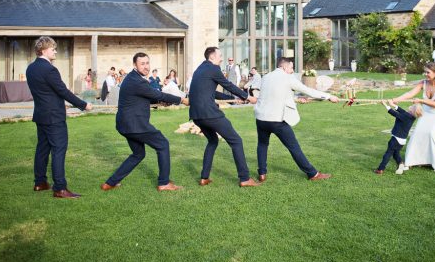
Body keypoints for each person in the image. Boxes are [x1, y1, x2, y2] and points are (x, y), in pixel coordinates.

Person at [102, 53, 190, 192]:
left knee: (138, 154)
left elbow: (146, 97)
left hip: (125, 125)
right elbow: (157, 94)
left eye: (147, 63)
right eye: (142, 63)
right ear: (135, 65)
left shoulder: (133, 78)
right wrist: (182, 100)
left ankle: (110, 183)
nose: (146, 66)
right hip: (135, 124)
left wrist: (161, 102)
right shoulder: (137, 81)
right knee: (163, 144)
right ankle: (164, 183)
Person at [26, 36, 92, 198]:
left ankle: (40, 183)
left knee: (42, 149)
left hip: (41, 115)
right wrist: (83, 105)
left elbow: (47, 92)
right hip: (54, 117)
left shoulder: (31, 68)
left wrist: (58, 102)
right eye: (52, 48)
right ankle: (60, 188)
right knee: (58, 150)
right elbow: (62, 91)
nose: (55, 50)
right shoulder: (49, 69)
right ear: (43, 50)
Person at [253, 57, 339, 182]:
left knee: (262, 144)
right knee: (294, 147)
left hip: (261, 118)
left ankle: (262, 173)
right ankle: (313, 174)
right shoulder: (288, 78)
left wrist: (295, 100)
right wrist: (329, 96)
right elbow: (308, 91)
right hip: (277, 120)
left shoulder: (266, 77)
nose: (293, 71)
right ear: (284, 67)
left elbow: (274, 95)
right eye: (291, 68)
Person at [188, 47, 259, 187]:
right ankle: (245, 179)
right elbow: (228, 85)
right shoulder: (214, 69)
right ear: (212, 57)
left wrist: (232, 98)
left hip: (196, 115)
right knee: (236, 141)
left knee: (213, 141)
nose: (222, 58)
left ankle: (204, 177)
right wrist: (247, 97)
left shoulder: (200, 70)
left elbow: (210, 92)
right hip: (209, 114)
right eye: (220, 56)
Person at [394, 62, 435, 171]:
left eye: (428, 72)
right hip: (427, 112)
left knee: (432, 132)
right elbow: (410, 93)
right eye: (425, 72)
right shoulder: (423, 83)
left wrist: (421, 100)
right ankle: (412, 161)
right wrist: (396, 100)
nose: (425, 74)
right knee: (418, 132)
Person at [374, 100, 417, 175]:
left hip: (396, 139)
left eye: (413, 106)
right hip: (402, 140)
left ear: (412, 111)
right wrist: (392, 104)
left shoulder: (405, 116)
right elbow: (401, 111)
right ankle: (400, 163)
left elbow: (394, 113)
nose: (411, 105)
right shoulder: (412, 117)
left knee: (388, 154)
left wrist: (385, 104)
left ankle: (380, 169)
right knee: (395, 153)